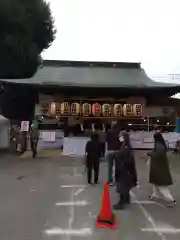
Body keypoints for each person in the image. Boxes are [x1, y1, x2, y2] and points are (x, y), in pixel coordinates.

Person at [147, 132, 176, 207]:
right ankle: (156, 195)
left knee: (161, 185)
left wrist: (149, 154)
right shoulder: (160, 145)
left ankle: (171, 200)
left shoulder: (159, 146)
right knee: (156, 183)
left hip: (159, 168)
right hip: (159, 167)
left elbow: (157, 155)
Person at [113, 132, 137, 210]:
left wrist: (116, 155)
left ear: (124, 137)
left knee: (122, 186)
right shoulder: (126, 146)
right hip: (127, 170)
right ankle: (126, 199)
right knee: (125, 186)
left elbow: (125, 158)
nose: (119, 138)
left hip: (124, 170)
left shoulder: (125, 147)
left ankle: (121, 203)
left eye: (120, 136)